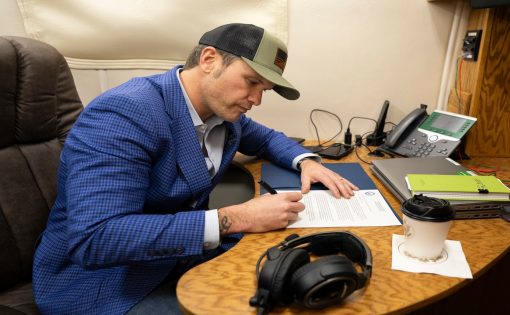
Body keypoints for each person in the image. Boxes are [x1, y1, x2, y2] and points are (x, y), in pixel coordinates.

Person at [32, 23, 359, 314]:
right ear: (209, 60)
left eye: (264, 90)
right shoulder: (125, 113)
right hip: (104, 281)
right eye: (251, 82)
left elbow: (267, 138)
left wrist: (307, 162)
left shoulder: (223, 112)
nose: (256, 99)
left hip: (177, 256)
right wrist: (239, 217)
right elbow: (95, 239)